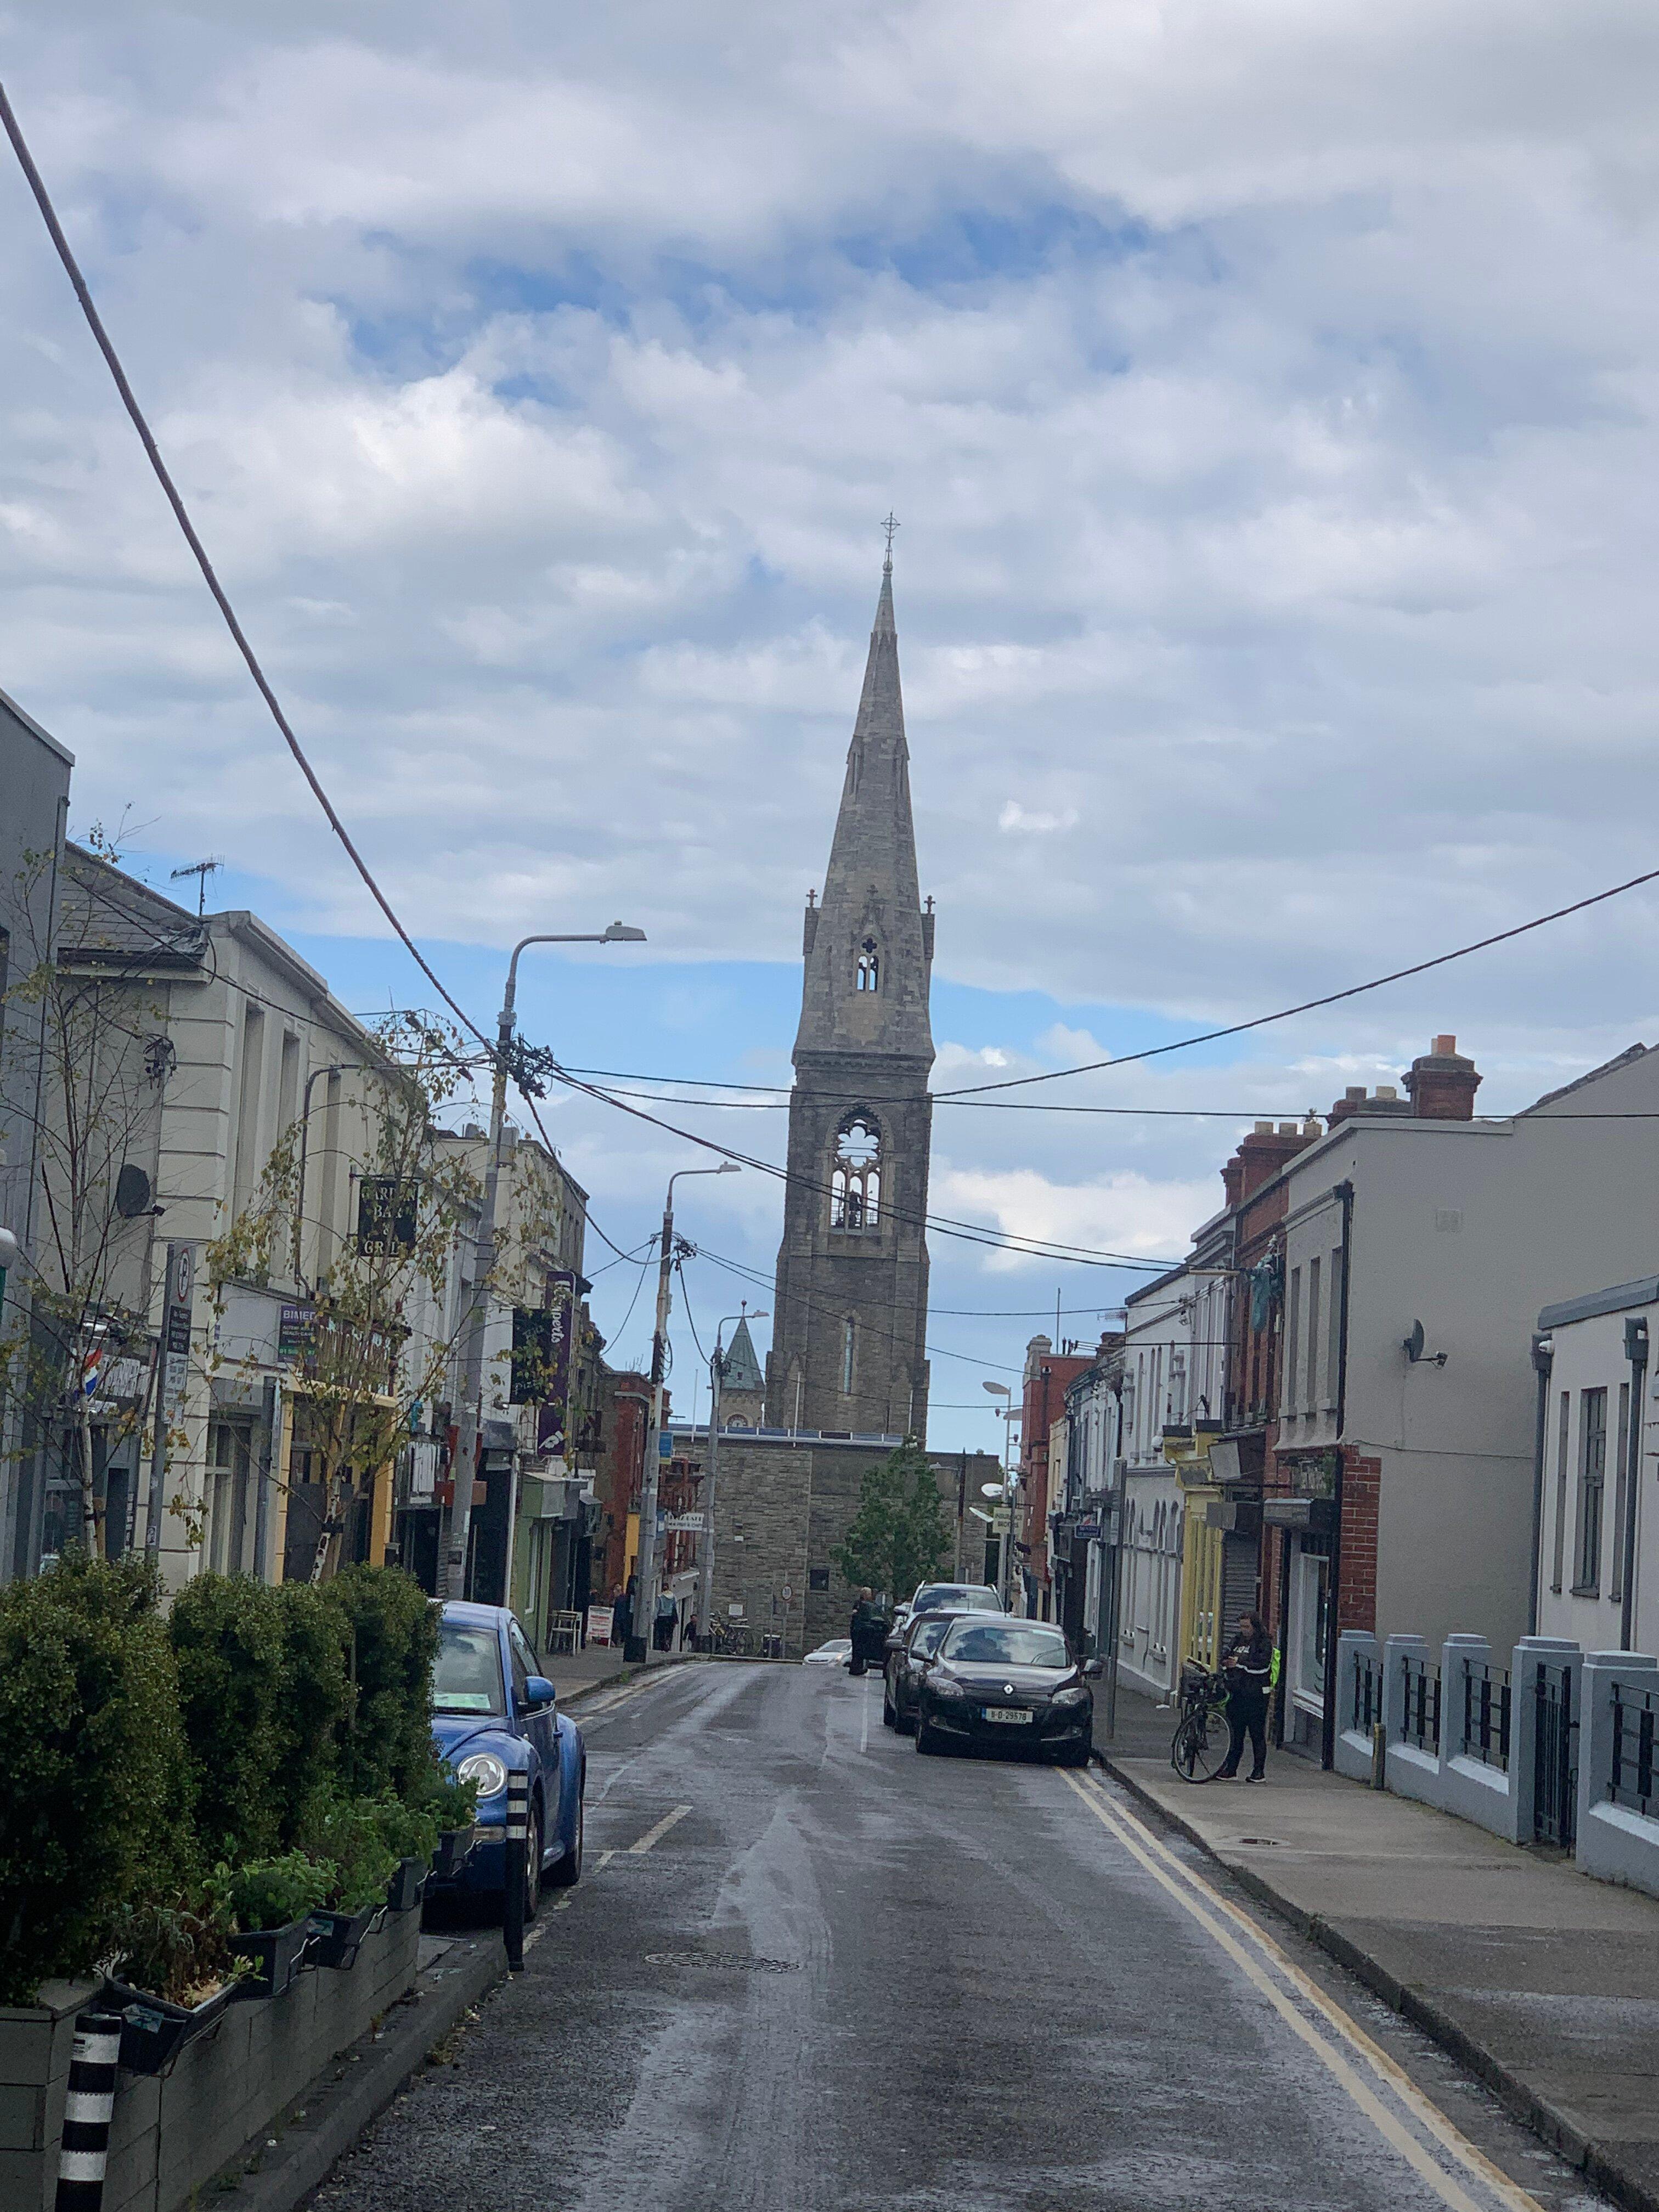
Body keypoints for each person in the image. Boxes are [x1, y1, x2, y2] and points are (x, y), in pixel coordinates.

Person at [1216, 1610, 1273, 1781]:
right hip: (1237, 1692)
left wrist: (1240, 1664)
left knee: (1256, 1733)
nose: (1244, 1630)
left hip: (1256, 1695)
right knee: (1236, 1733)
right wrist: (1226, 1662)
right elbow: (1226, 1657)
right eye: (1241, 1626)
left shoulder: (1264, 1643)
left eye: (1247, 1626)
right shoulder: (1237, 1640)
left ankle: (1259, 1772)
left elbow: (1262, 1667)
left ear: (1255, 1626)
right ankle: (1231, 1769)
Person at [848, 1587, 887, 1676]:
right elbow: (855, 1614)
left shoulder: (869, 1605)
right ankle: (855, 1668)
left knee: (859, 1650)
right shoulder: (861, 1604)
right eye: (869, 1594)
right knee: (857, 1649)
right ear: (864, 1595)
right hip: (860, 1631)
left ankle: (858, 1667)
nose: (870, 1596)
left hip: (863, 1630)